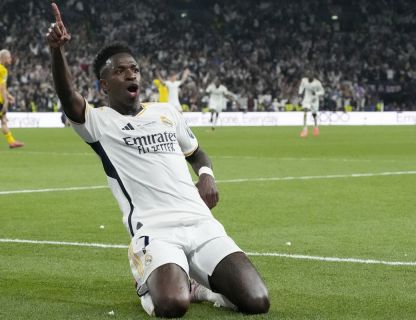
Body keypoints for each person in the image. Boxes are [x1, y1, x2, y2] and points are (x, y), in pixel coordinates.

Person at [47, 3, 269, 318]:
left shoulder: (165, 112)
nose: (130, 73)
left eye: (134, 68)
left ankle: (200, 285)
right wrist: (57, 51)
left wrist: (206, 175)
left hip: (201, 222)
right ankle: (149, 279)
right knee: (172, 305)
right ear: (104, 85)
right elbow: (68, 97)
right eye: (120, 70)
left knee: (257, 301)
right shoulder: (99, 122)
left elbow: (196, 152)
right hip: (155, 229)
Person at [298, 71, 324, 137]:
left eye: (311, 76)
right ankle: (305, 129)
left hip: (314, 99)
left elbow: (322, 91)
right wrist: (300, 93)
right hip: (307, 98)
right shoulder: (304, 80)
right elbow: (301, 86)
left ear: (313, 77)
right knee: (305, 111)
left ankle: (315, 127)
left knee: (314, 114)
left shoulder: (317, 83)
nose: (309, 77)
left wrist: (316, 93)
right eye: (308, 76)